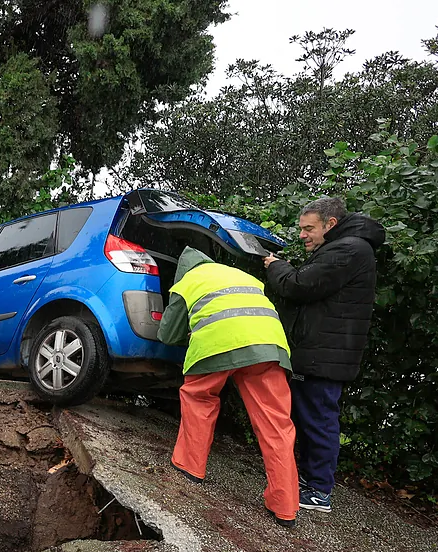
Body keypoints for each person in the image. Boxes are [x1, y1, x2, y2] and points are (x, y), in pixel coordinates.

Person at [158, 246, 299, 528]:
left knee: (199, 399)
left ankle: (190, 467)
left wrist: (189, 329)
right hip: (269, 347)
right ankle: (285, 508)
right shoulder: (243, 276)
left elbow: (167, 335)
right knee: (277, 425)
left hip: (217, 345)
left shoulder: (187, 282)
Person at [264, 197, 384, 514]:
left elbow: (299, 285)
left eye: (308, 228)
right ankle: (310, 482)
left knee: (318, 422)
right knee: (311, 421)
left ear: (330, 225)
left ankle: (318, 491)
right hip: (321, 353)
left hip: (324, 357)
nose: (302, 235)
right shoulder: (346, 248)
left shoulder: (348, 249)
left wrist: (276, 266)